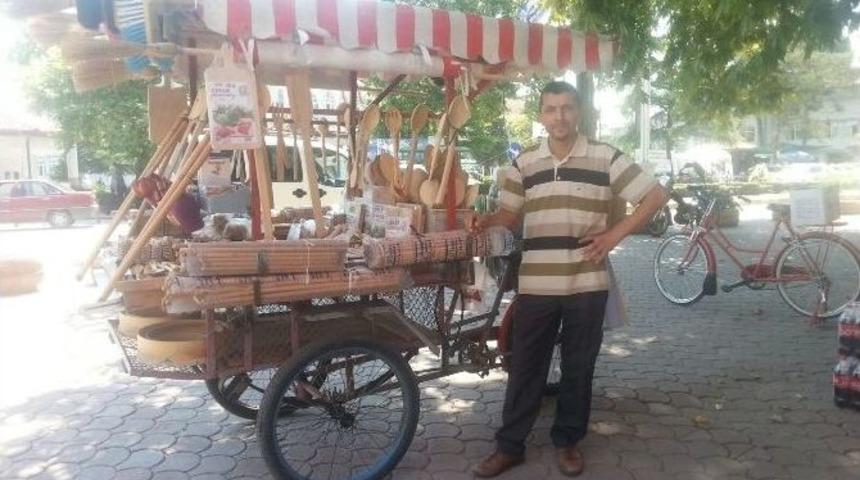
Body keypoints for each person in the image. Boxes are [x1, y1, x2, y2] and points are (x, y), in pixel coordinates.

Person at [472, 81, 667, 478]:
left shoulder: (605, 157)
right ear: (541, 115)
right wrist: (487, 220)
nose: (558, 116)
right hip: (537, 285)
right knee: (526, 365)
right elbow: (509, 217)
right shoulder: (523, 163)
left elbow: (655, 196)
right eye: (550, 109)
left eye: (566, 108)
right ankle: (510, 447)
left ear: (578, 113)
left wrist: (615, 235)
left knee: (579, 367)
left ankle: (568, 442)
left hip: (586, 283)